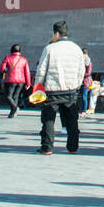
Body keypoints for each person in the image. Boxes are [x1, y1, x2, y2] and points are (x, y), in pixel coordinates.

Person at [33, 21, 83, 154]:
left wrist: (38, 86)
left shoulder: (50, 48)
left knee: (49, 119)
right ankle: (73, 147)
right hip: (70, 89)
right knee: (72, 119)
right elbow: (81, 70)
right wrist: (76, 84)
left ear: (56, 33)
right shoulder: (76, 48)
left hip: (52, 90)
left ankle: (47, 147)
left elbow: (41, 70)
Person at [1, 44, 31, 118]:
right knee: (15, 96)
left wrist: (7, 70)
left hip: (11, 80)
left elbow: (2, 68)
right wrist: (28, 83)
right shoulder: (24, 60)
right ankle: (13, 112)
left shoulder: (8, 58)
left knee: (8, 96)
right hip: (21, 81)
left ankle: (14, 108)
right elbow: (27, 72)